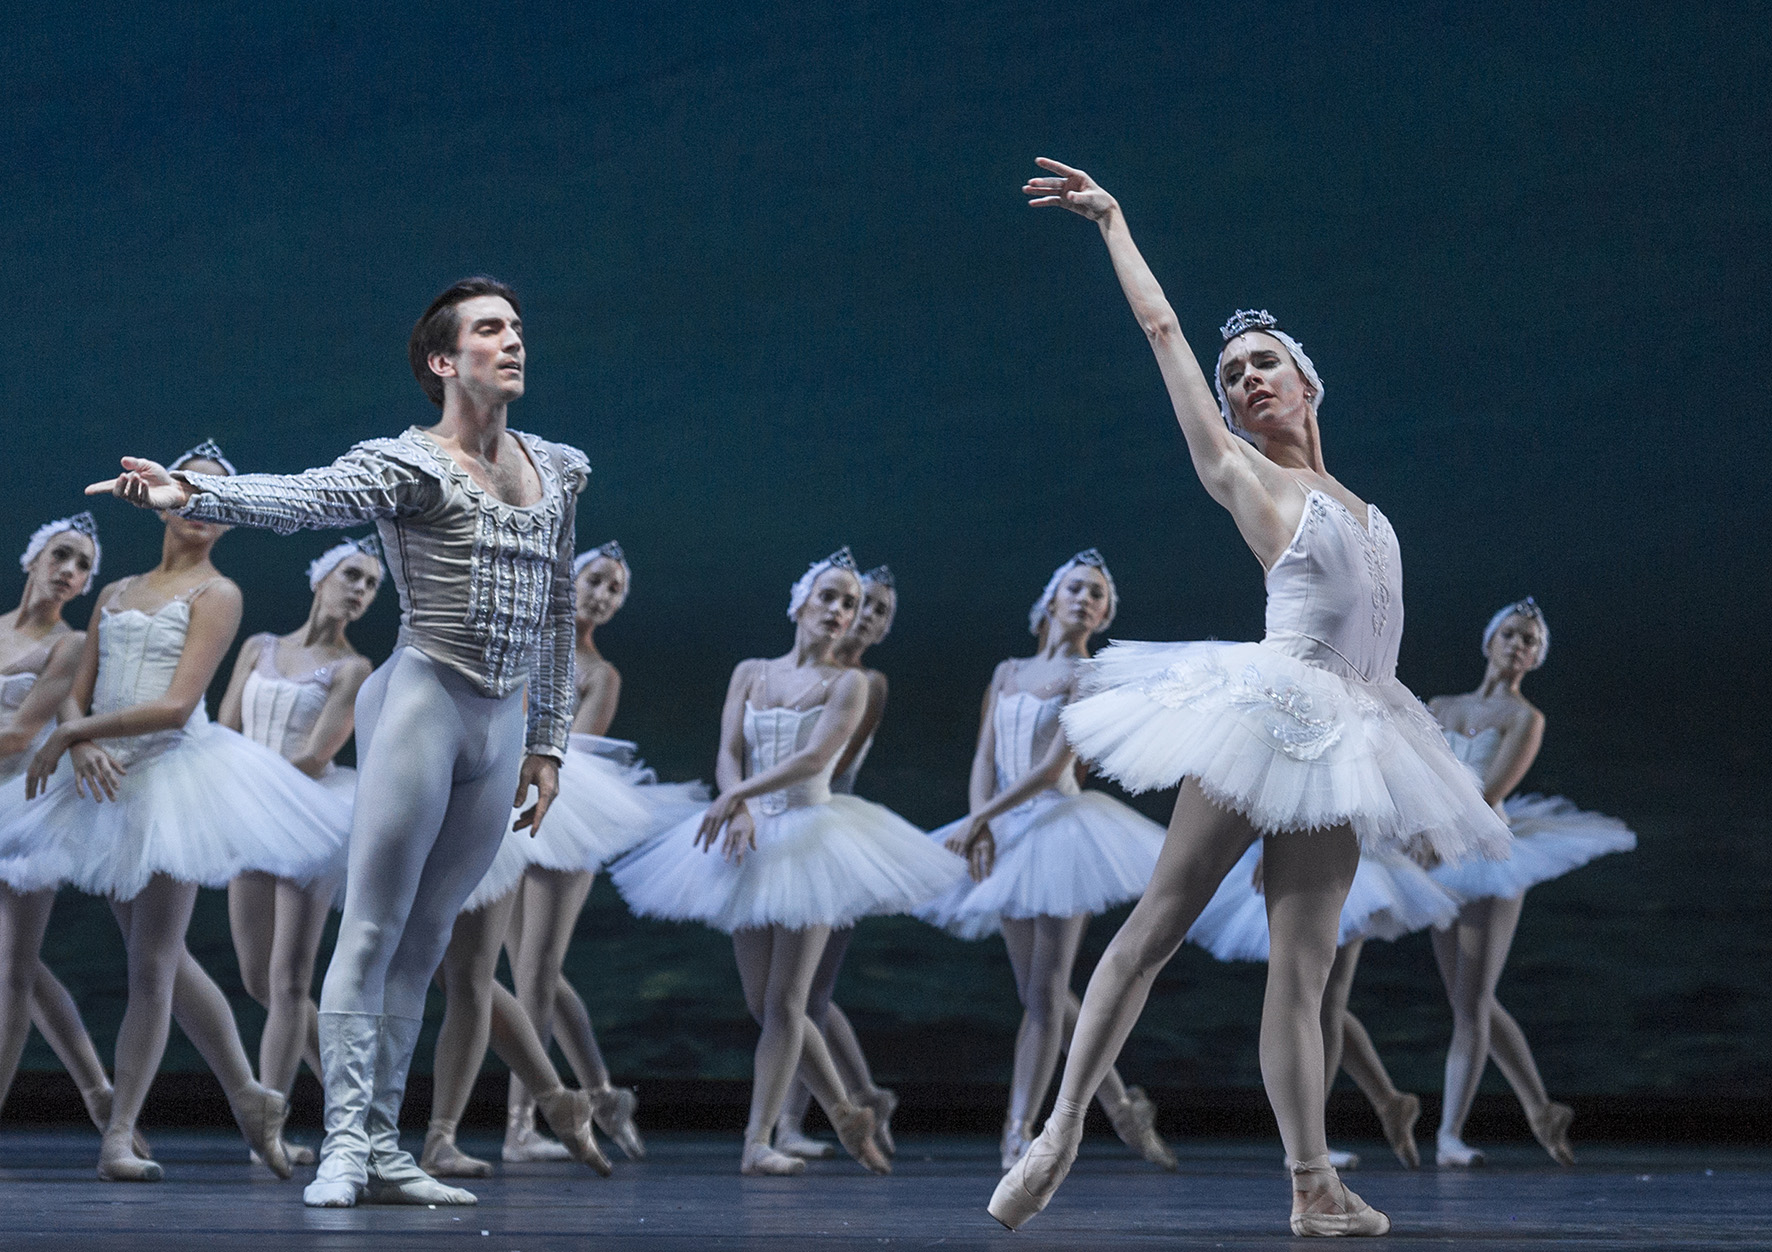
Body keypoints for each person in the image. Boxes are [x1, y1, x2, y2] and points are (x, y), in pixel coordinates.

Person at [988, 159, 1509, 1237]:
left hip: (1355, 730)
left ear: (1307, 383)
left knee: (1304, 969)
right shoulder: (1245, 477)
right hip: (1270, 713)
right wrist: (1113, 223)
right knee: (1159, 921)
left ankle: (1310, 1181)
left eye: (1264, 364)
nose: (1244, 381)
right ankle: (1059, 1127)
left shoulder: (1369, 511)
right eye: (1234, 374)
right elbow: (1163, 337)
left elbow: (1374, 644)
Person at [85, 277, 589, 1208]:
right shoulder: (411, 464)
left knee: (431, 936)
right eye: (490, 330)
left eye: (517, 327)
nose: (513, 342)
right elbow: (307, 497)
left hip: (504, 715)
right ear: (444, 361)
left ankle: (389, 1144)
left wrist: (549, 742)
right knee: (375, 921)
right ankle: (344, 1147)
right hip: (425, 699)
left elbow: (558, 609)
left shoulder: (557, 469)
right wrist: (190, 488)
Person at [1, 445, 351, 1182]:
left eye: (215, 498)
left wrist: (75, 733)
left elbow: (177, 705)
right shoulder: (118, 590)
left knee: (152, 967)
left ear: (227, 519)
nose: (197, 505)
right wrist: (81, 735)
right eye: (188, 490)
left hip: (172, 776)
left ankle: (119, 1135)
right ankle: (252, 1100)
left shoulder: (218, 594)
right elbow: (76, 680)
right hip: (106, 780)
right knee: (159, 955)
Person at [611, 549, 965, 1176]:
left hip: (812, 835)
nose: (839, 611)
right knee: (761, 1002)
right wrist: (737, 801)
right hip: (751, 834)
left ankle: (759, 1140)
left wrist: (741, 795)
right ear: (800, 602)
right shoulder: (751, 670)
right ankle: (847, 1112)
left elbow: (814, 762)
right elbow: (728, 749)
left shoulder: (851, 683)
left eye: (850, 604)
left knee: (789, 1001)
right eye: (829, 597)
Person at [921, 551, 1173, 1172]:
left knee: (1044, 991)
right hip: (1006, 829)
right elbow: (984, 756)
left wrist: (986, 818)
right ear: (1051, 600)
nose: (1085, 599)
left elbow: (1054, 768)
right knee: (1038, 991)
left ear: (1104, 612)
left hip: (1064, 830)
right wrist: (981, 819)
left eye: (1096, 594)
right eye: (1075, 589)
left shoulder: (1089, 674)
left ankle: (1020, 1130)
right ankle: (1119, 1105)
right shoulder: (1007, 670)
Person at [497, 541, 703, 1165]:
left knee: (536, 971)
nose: (603, 596)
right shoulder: (519, 642)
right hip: (500, 802)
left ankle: (521, 1124)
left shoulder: (599, 675)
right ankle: (604, 1095)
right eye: (596, 581)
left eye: (615, 590)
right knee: (533, 972)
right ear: (569, 578)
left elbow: (569, 751)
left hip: (567, 805)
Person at [1426, 598, 1635, 1167]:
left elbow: (1488, 792)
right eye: (1512, 634)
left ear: (1535, 660)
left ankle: (1449, 1136)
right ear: (1490, 639)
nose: (1519, 645)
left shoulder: (1525, 719)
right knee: (1467, 1000)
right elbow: (1412, 773)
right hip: (1437, 850)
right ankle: (1540, 1109)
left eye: (1531, 642)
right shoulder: (1439, 706)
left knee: (1472, 1003)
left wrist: (1432, 837)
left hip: (1487, 850)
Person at [216, 535, 382, 1165]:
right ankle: (352, 1096)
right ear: (320, 579)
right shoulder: (259, 646)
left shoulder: (353, 668)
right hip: (249, 812)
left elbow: (317, 752)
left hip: (307, 814)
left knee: (289, 982)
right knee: (257, 979)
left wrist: (255, 786)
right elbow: (227, 724)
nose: (360, 590)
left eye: (370, 585)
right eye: (352, 576)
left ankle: (269, 1129)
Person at [0, 512, 146, 1146]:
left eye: (83, 566)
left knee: (12, 968)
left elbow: (18, 732)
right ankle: (95, 1088)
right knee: (21, 968)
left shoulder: (69, 645)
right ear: (32, 560)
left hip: (20, 799)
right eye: (62, 556)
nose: (70, 571)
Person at [1185, 839, 1459, 1168]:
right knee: (1320, 1003)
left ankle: (1313, 1141)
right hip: (1321, 852)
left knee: (1322, 1003)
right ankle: (1386, 1101)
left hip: (1341, 856)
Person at [774, 564, 901, 1161]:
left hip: (835, 827)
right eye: (864, 605)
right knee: (809, 996)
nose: (868, 618)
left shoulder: (864, 683)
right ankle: (860, 1095)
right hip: (797, 823)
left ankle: (814, 1114)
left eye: (880, 613)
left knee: (812, 993)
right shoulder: (816, 672)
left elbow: (826, 760)